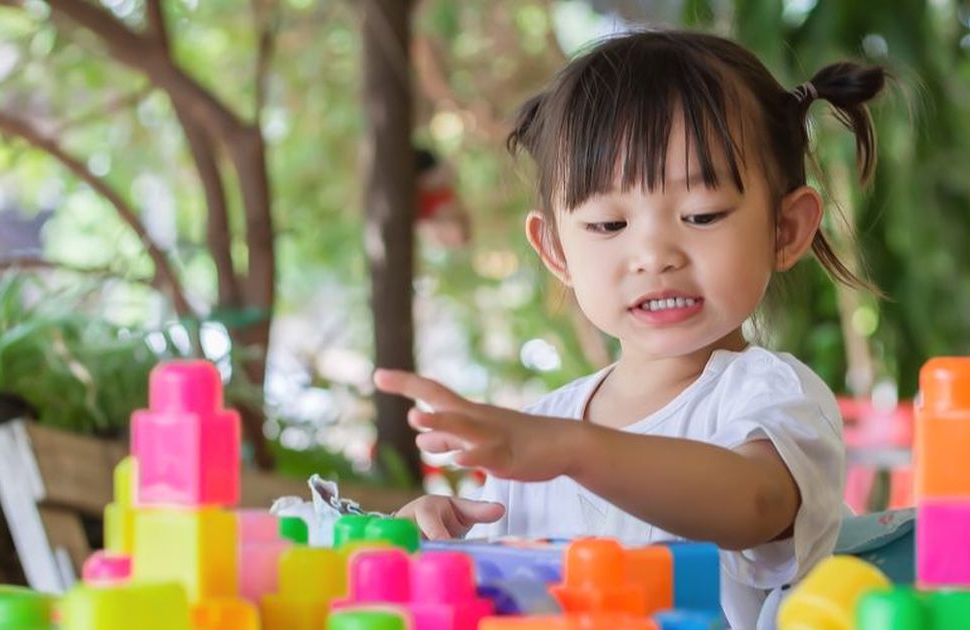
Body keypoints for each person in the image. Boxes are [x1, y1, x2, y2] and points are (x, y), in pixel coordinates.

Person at [374, 29, 886, 629]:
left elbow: (754, 501)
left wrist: (572, 451)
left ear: (786, 228)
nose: (654, 254)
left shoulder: (770, 398)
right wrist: (429, 542)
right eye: (608, 224)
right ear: (556, 250)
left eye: (701, 215)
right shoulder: (537, 440)